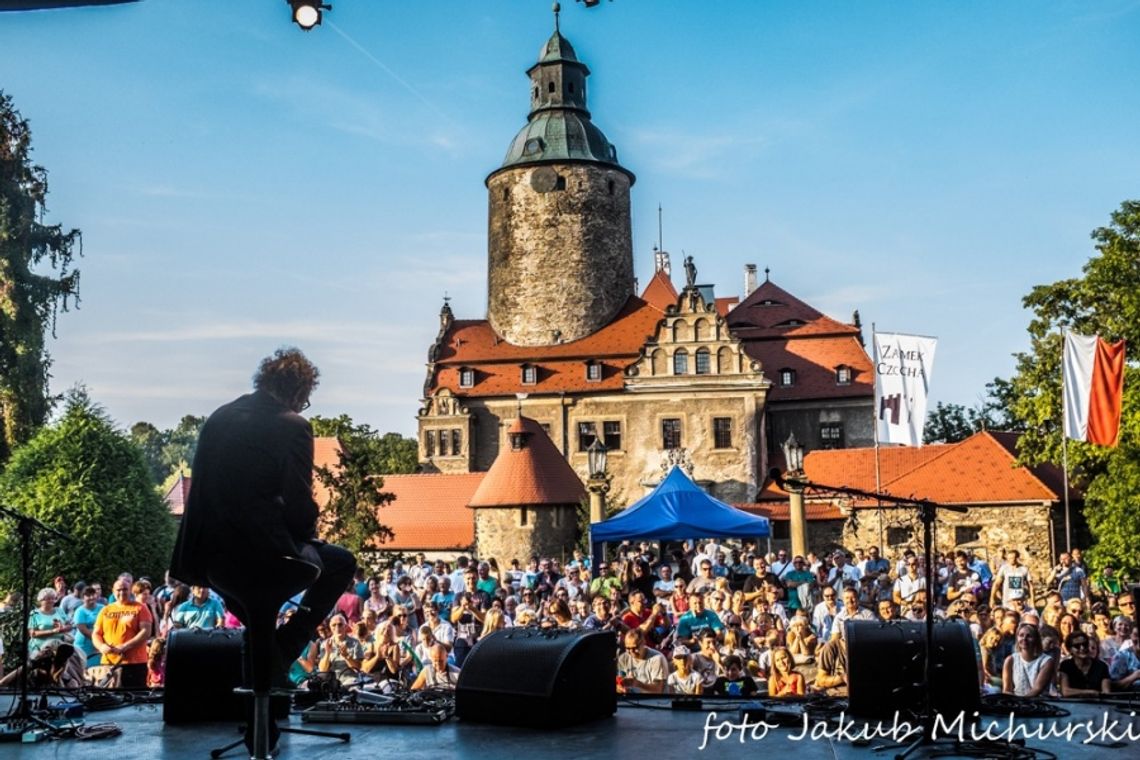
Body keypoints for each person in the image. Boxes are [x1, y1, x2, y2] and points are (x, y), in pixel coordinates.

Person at [170, 348, 357, 679]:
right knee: (341, 564)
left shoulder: (220, 417)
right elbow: (299, 506)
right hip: (264, 557)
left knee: (255, 618)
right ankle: (283, 650)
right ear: (298, 392)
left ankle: (259, 699)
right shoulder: (292, 426)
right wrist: (306, 537)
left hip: (208, 558)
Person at [93, 577, 154, 688]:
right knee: (108, 700)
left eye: (125, 589)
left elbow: (146, 632)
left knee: (135, 699)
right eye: (118, 590)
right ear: (113, 591)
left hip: (135, 663)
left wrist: (124, 646)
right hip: (109, 663)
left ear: (130, 590)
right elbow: (96, 633)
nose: (122, 592)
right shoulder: (105, 610)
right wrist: (101, 646)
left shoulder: (140, 608)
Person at [1002, 623, 1055, 697]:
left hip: (1040, 703)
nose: (1024, 638)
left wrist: (1022, 703)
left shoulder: (1047, 661)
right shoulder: (1010, 660)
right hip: (1016, 703)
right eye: (1021, 635)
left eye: (1029, 636)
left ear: (1036, 639)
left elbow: (1037, 689)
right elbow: (1007, 690)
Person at [1058, 631, 1110, 697]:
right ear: (1070, 650)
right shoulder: (1066, 665)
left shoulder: (1102, 666)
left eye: (1085, 644)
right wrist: (1089, 692)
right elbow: (1065, 691)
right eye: (1077, 646)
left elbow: (1106, 692)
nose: (1082, 648)